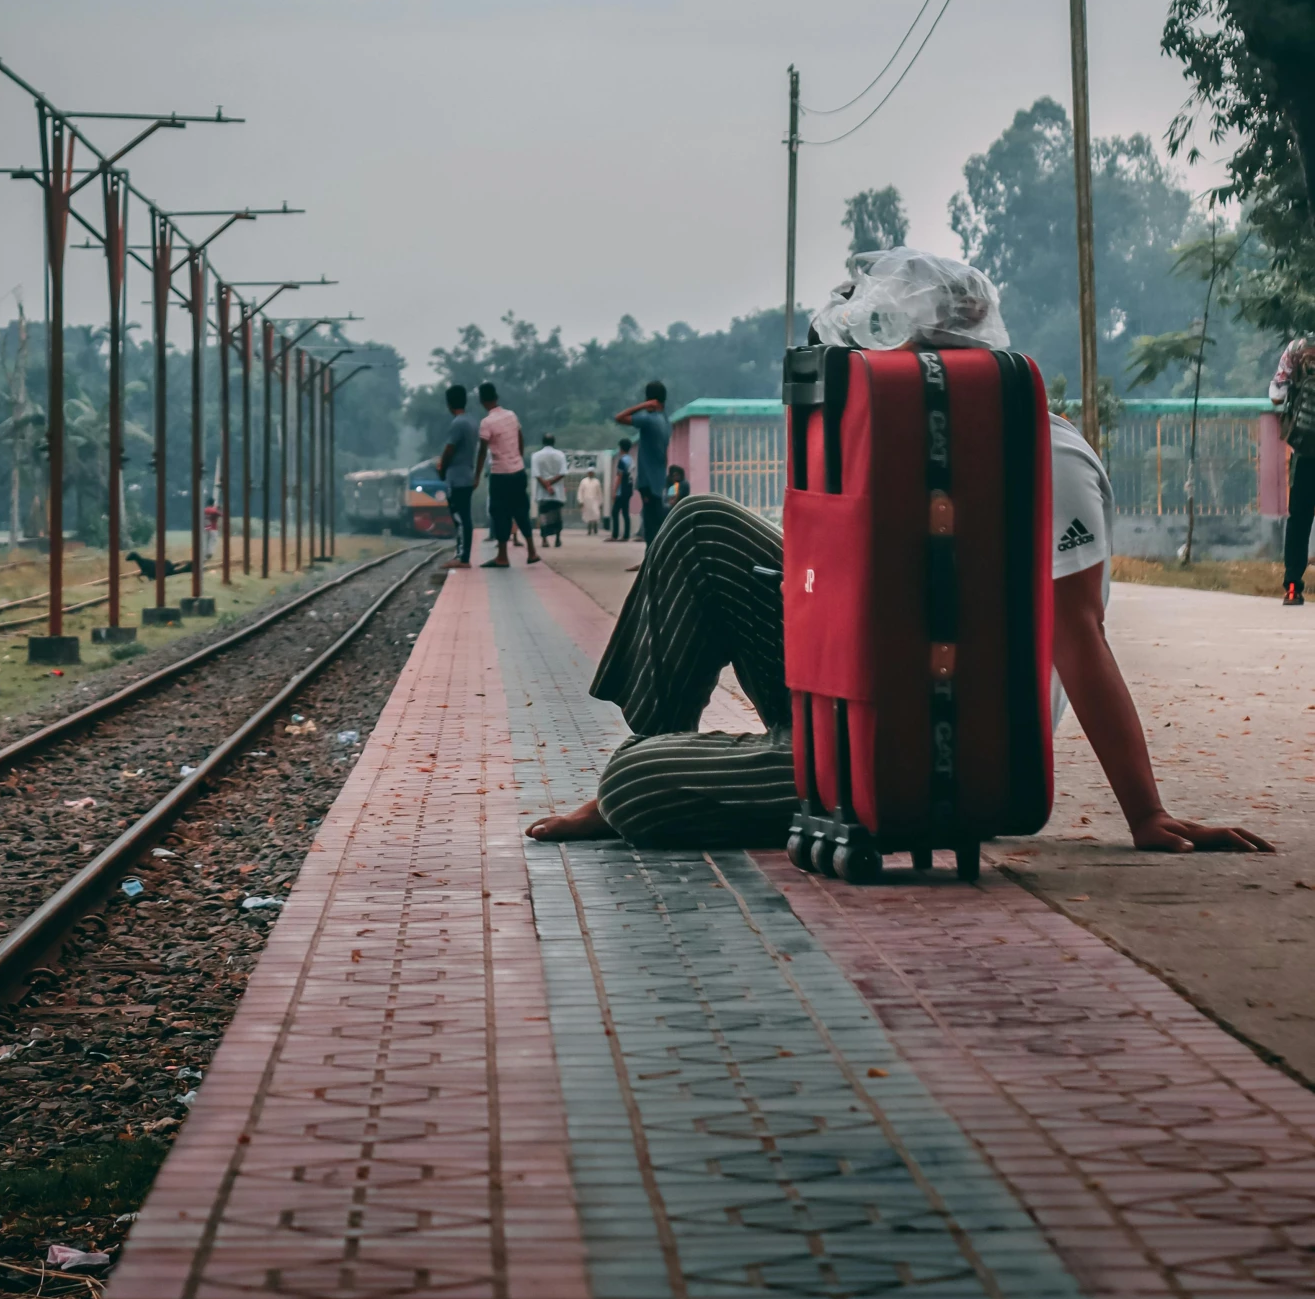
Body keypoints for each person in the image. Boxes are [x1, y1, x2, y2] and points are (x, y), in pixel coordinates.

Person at [529, 250, 1272, 857]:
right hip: (854, 672)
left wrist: (1145, 814)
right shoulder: (898, 429)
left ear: (942, 345)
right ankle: (705, 757)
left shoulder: (1041, 452)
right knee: (701, 525)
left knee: (638, 787)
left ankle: (715, 773)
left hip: (927, 734)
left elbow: (1076, 632)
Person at [472, 382, 540, 569]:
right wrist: (517, 458)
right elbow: (520, 439)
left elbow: (482, 452)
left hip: (500, 474)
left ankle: (502, 556)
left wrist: (477, 476)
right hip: (518, 472)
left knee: (500, 513)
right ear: (496, 397)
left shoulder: (486, 423)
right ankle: (532, 551)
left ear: (482, 401)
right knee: (521, 510)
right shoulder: (511, 415)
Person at [1269, 334, 1315, 606]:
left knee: (1299, 517)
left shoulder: (1296, 349)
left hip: (1306, 445)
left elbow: (1277, 395)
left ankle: (1292, 587)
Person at [616, 381, 670, 541]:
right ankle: (652, 558)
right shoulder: (666, 422)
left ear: (650, 399)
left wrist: (642, 405)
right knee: (655, 521)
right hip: (658, 479)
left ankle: (651, 560)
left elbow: (619, 417)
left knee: (650, 523)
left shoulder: (649, 420)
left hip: (648, 480)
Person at [435, 384, 479, 569]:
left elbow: (449, 449)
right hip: (468, 474)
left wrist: (441, 468)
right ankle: (463, 554)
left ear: (449, 404)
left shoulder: (458, 423)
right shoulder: (472, 422)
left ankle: (462, 557)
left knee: (460, 517)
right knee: (465, 516)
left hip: (457, 478)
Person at [531, 432, 569, 547]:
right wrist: (551, 483)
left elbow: (537, 474)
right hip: (556, 492)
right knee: (557, 516)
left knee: (543, 516)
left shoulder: (536, 455)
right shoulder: (560, 455)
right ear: (554, 442)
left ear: (543, 442)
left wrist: (546, 485)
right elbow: (562, 473)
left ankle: (544, 540)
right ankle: (557, 539)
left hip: (543, 492)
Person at [610, 439, 635, 541]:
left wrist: (614, 491)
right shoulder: (631, 460)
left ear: (621, 448)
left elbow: (619, 476)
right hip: (629, 489)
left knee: (615, 512)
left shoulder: (622, 460)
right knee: (625, 512)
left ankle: (615, 535)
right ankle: (626, 535)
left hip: (622, 490)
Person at [577, 468, 605, 536]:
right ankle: (589, 529)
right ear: (587, 473)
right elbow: (580, 492)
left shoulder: (596, 481)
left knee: (596, 514)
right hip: (586, 500)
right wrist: (580, 501)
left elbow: (599, 493)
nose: (590, 473)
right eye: (589, 472)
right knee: (588, 515)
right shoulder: (583, 481)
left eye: (592, 472)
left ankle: (595, 528)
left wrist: (601, 502)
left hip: (595, 500)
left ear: (593, 473)